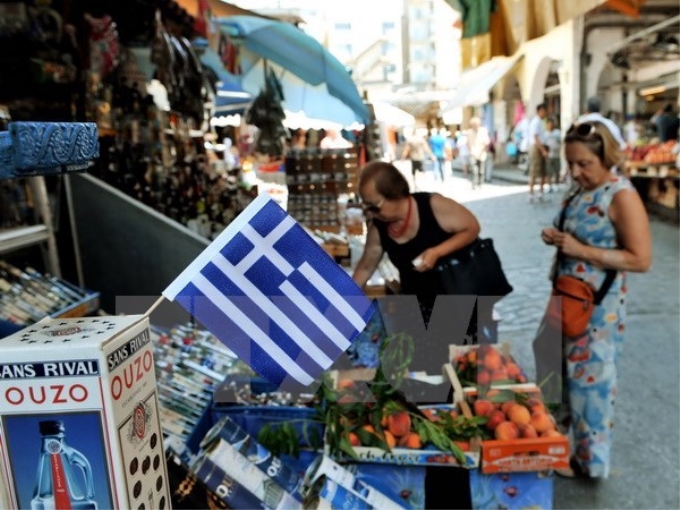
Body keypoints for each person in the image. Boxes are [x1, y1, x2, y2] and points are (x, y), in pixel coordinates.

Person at [539, 120, 651, 479]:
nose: (575, 171)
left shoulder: (621, 195)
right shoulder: (578, 190)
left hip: (597, 309)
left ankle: (589, 463)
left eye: (584, 164)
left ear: (606, 157)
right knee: (553, 373)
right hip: (565, 296)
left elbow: (640, 259)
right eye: (571, 163)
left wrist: (580, 250)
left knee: (591, 382)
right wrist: (557, 238)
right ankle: (556, 444)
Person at [351, 160, 480, 329]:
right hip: (417, 308)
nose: (370, 213)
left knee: (459, 354)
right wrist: (346, 298)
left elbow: (472, 227)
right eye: (366, 207)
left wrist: (437, 252)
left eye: (374, 206)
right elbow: (366, 267)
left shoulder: (432, 206)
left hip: (457, 302)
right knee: (423, 353)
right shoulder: (379, 227)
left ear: (394, 193)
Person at [527, 103, 549, 202]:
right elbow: (536, 138)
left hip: (541, 146)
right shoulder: (535, 122)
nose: (545, 113)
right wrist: (543, 150)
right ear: (539, 111)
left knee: (542, 172)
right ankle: (531, 194)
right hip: (537, 148)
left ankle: (540, 193)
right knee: (534, 171)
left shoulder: (541, 122)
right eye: (544, 111)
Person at [466, 117, 491, 189]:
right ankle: (474, 183)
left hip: (481, 154)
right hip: (473, 154)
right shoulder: (469, 132)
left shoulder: (483, 131)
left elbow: (487, 143)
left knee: (481, 171)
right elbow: (467, 143)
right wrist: (470, 150)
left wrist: (485, 150)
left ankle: (480, 183)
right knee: (474, 170)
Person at [544, 117, 562, 192]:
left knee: (557, 170)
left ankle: (556, 184)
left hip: (556, 155)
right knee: (549, 171)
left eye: (551, 124)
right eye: (548, 124)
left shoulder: (557, 133)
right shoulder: (545, 134)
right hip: (549, 155)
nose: (550, 125)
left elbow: (561, 142)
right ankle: (549, 185)